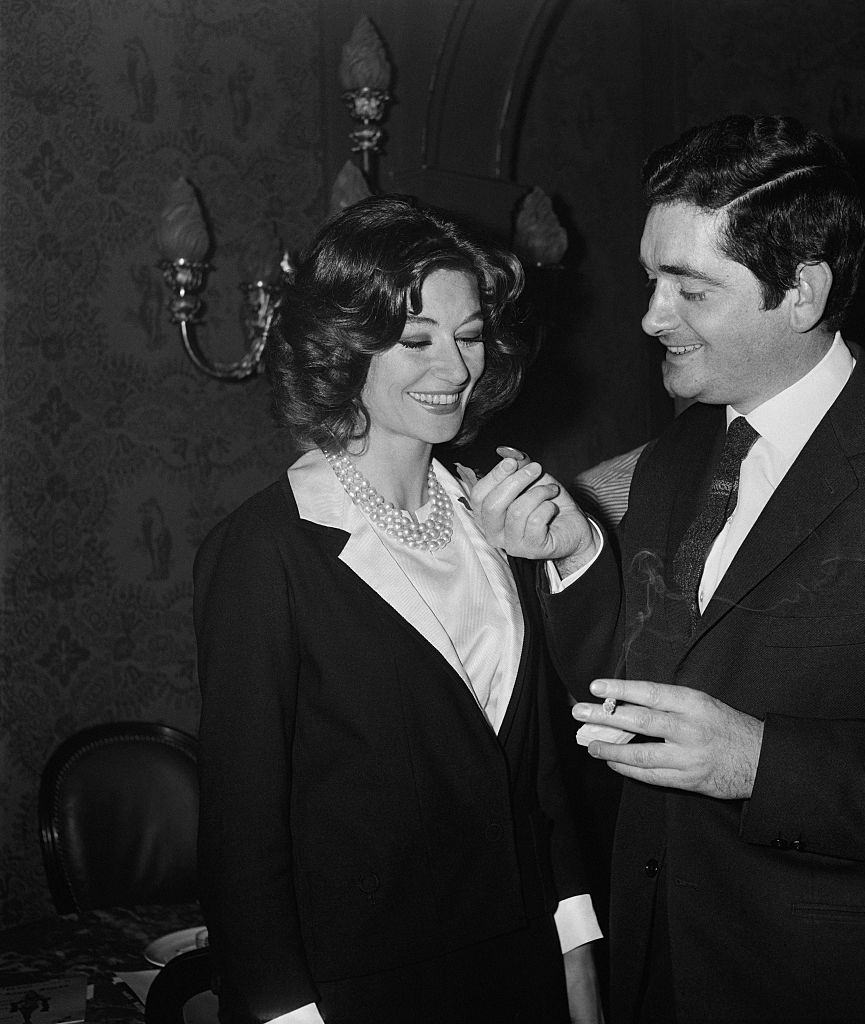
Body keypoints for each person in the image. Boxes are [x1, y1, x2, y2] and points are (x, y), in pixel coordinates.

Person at [469, 114, 865, 1022]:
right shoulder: (680, 454)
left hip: (829, 987)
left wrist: (760, 763)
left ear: (800, 293)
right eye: (651, 279)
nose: (649, 317)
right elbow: (647, 679)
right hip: (656, 962)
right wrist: (575, 556)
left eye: (690, 288)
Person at [193, 194, 604, 1024]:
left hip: (521, 969)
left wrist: (579, 967)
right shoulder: (263, 549)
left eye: (470, 334)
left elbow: (541, 783)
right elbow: (243, 835)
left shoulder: (497, 517)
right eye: (416, 339)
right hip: (361, 990)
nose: (454, 368)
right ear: (346, 346)